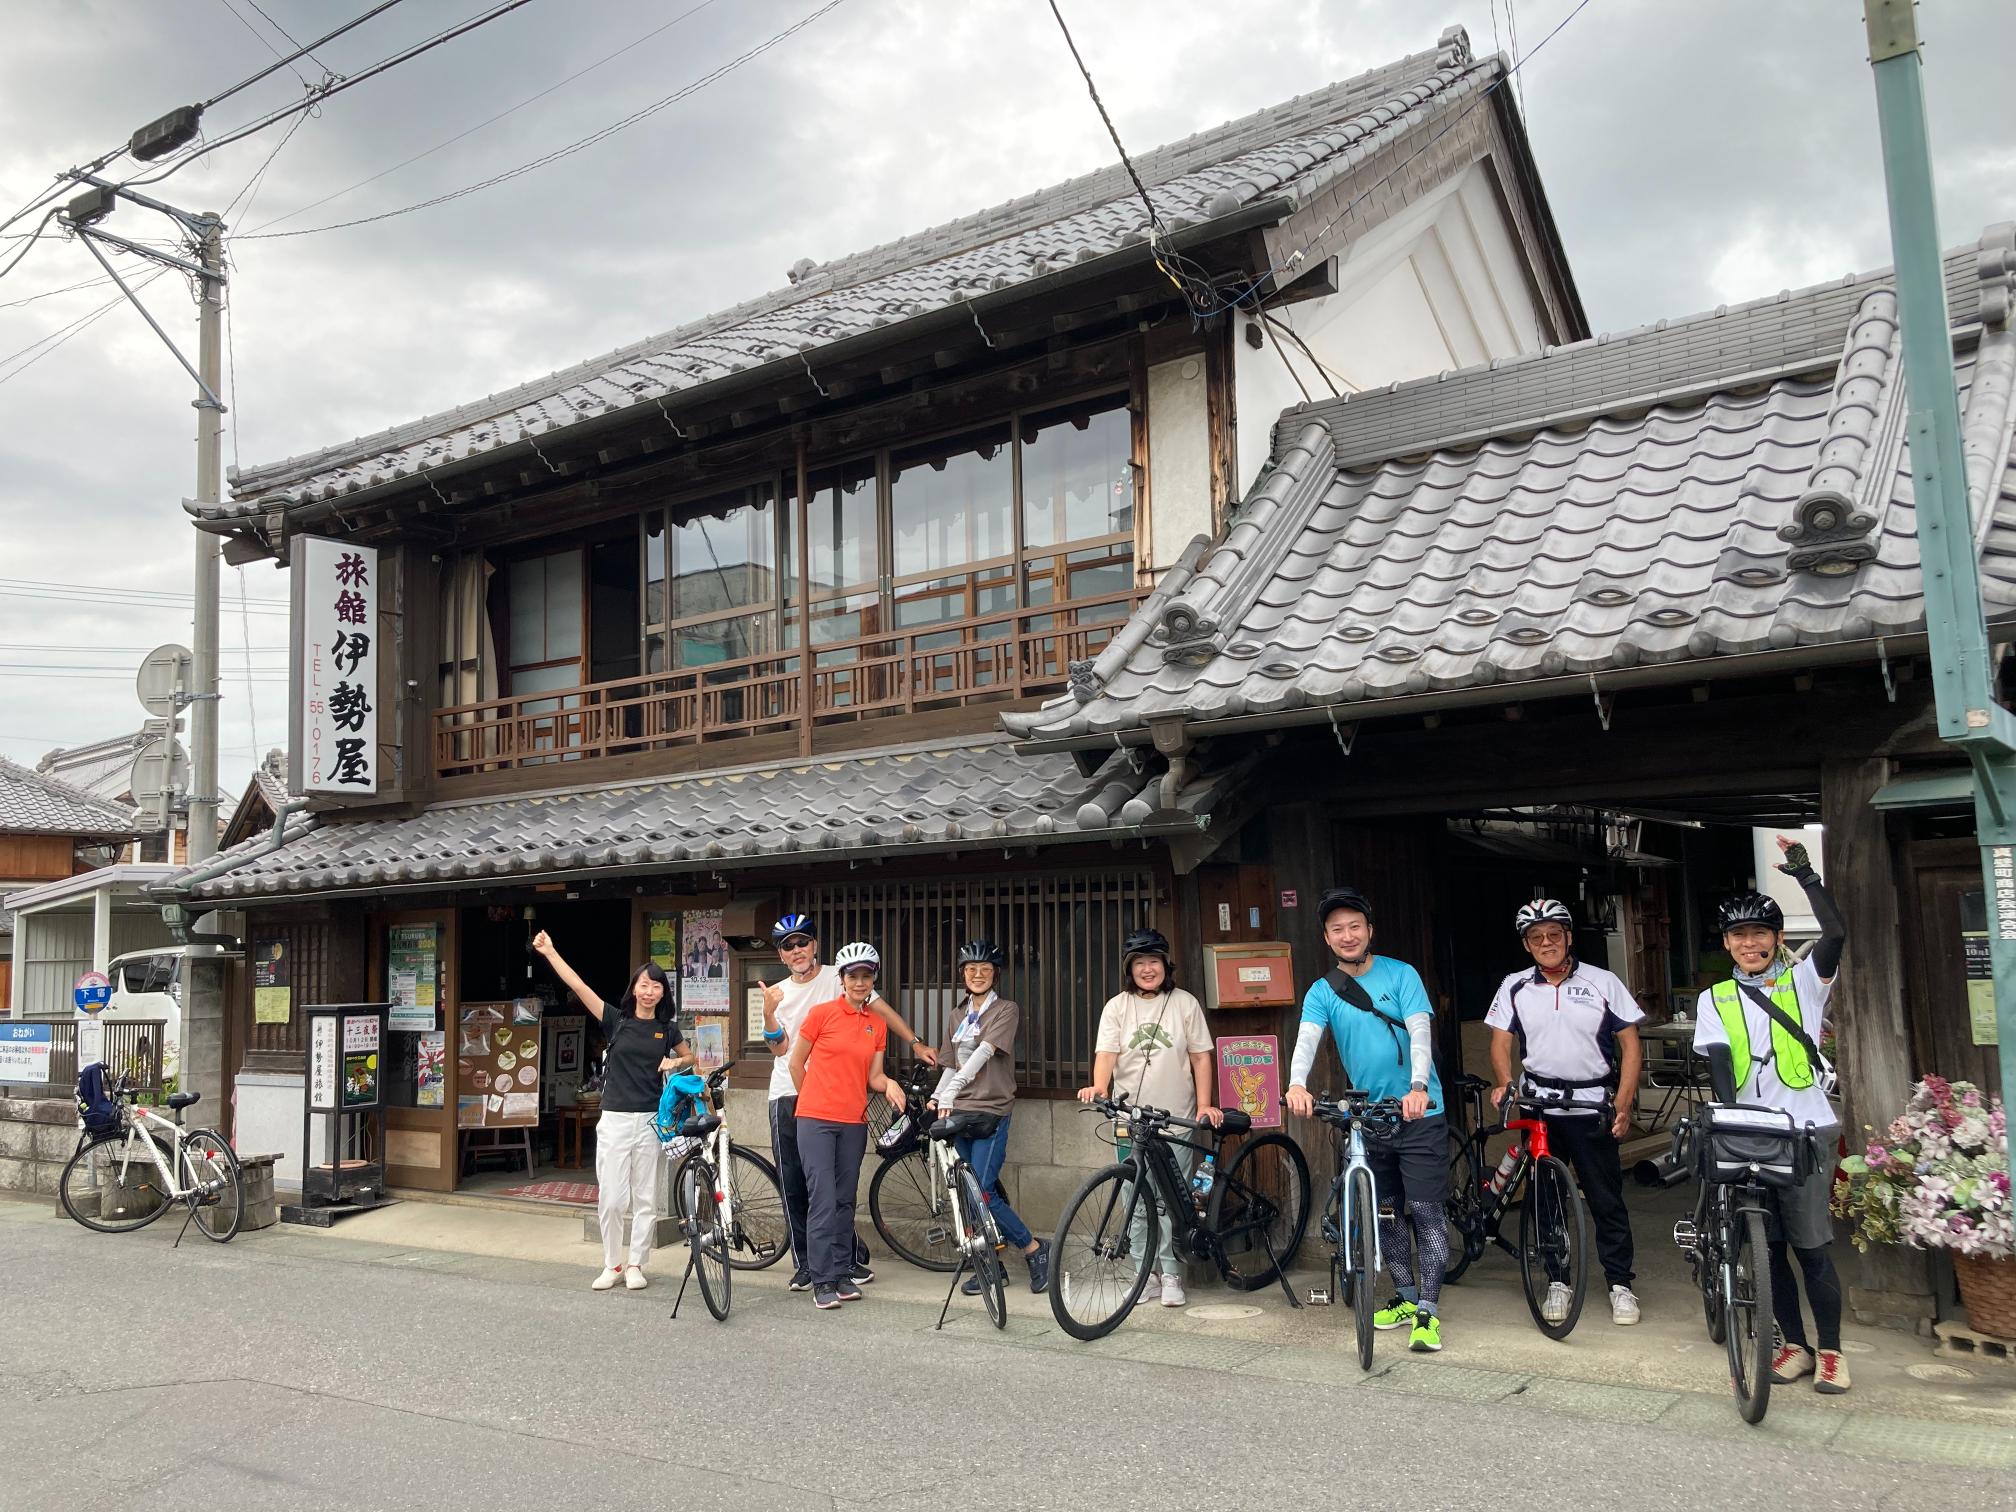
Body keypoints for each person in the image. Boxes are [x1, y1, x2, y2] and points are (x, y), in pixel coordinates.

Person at [1694, 835, 1851, 1394]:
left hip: (1805, 1131)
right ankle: (1795, 1346)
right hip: (1749, 1135)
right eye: (1740, 934)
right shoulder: (1713, 1000)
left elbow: (1834, 932)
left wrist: (1806, 873)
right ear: (1728, 944)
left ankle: (1832, 1351)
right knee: (1770, 1249)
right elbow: (1716, 1066)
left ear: (1778, 938)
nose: (1751, 943)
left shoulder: (1804, 980)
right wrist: (1721, 1125)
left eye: (1761, 933)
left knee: (1812, 1248)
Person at [1285, 887, 1450, 1353]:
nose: (1347, 935)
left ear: (1369, 931)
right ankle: (1405, 1295)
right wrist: (1297, 1084)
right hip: (1370, 1117)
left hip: (1420, 1112)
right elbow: (1307, 1040)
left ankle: (1429, 1313)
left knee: (1426, 1212)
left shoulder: (1402, 974)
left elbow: (1420, 1029)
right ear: (1327, 938)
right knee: (1388, 1212)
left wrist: (1418, 1087)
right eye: (1337, 929)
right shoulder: (1323, 991)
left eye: (1355, 926)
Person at [1485, 898, 1646, 1326]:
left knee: (1606, 1198)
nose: (1546, 943)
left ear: (1569, 937)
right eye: (1536, 938)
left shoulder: (1603, 981)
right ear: (1527, 945)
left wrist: (1625, 1101)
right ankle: (1558, 1279)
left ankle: (1620, 1284)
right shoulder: (1515, 985)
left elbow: (1631, 1044)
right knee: (1546, 1197)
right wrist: (1504, 1082)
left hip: (1592, 1103)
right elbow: (1501, 1041)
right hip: (1541, 1107)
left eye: (1554, 935)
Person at [760, 913, 937, 1291]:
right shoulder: (775, 992)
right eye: (788, 946)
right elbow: (781, 1049)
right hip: (789, 1093)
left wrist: (916, 1041)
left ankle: (844, 1260)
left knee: (838, 1189)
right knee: (797, 1182)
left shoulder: (842, 976)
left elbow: (881, 1011)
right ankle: (807, 1264)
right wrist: (768, 1013)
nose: (797, 950)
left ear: (815, 944)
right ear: (780, 954)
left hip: (838, 1095)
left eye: (802, 941)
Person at [532, 930, 693, 1292]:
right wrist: (551, 952)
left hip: (652, 1121)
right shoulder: (616, 1019)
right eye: (645, 985)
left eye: (657, 987)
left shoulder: (666, 1029)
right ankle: (612, 1263)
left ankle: (636, 1263)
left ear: (663, 993)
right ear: (634, 988)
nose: (650, 992)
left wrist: (674, 1061)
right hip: (616, 1119)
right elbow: (580, 984)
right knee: (612, 1198)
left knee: (646, 1197)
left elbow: (690, 1056)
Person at [1076, 927, 1221, 1308]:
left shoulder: (1184, 1003)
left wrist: (1205, 1105)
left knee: (1173, 1202)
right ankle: (1146, 1275)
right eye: (1139, 963)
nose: (1147, 969)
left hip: (1178, 1119)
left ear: (1165, 965)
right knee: (1135, 1200)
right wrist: (1098, 1088)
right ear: (1130, 969)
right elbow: (1106, 1054)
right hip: (1130, 1121)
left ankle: (1172, 1275)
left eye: (1153, 961)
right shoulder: (1117, 1007)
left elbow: (1200, 1056)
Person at [788, 941, 908, 1310]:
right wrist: (813, 1100)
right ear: (841, 979)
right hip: (816, 1121)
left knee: (843, 1201)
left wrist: (889, 1083)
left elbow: (873, 1074)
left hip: (854, 1123)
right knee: (822, 1199)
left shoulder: (876, 1024)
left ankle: (840, 1272)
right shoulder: (821, 1014)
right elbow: (796, 1064)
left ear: (873, 980)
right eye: (852, 976)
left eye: (866, 976)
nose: (859, 982)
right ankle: (821, 1279)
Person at [927, 939, 1049, 1295]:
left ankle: (1033, 1249)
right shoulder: (956, 1013)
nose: (977, 975)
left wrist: (953, 1089)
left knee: (982, 1191)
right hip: (959, 1111)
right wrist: (939, 1095)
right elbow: (951, 1063)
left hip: (991, 1109)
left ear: (995, 974)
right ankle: (991, 1261)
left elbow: (983, 1053)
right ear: (962, 974)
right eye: (970, 969)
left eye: (984, 969)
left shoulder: (1005, 1010)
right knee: (968, 1191)